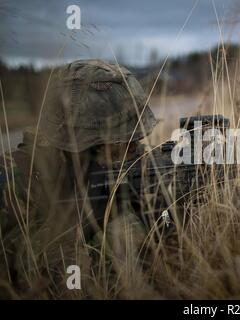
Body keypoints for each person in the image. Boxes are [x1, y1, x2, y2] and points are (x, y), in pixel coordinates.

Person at [0, 59, 157, 295]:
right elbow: (23, 268)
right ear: (77, 145)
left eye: (134, 141)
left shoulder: (132, 164)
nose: (132, 150)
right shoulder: (14, 179)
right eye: (119, 144)